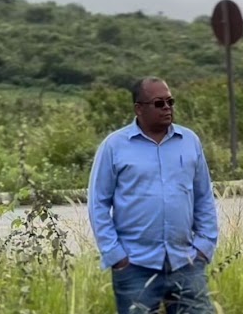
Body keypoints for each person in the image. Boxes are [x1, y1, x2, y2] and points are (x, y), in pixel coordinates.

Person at [87, 76, 218, 314]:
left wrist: (204, 245)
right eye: (159, 103)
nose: (167, 108)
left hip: (186, 262)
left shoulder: (189, 141)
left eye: (170, 101)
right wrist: (116, 256)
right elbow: (98, 203)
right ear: (139, 108)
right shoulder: (114, 146)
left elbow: (204, 196)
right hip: (135, 266)